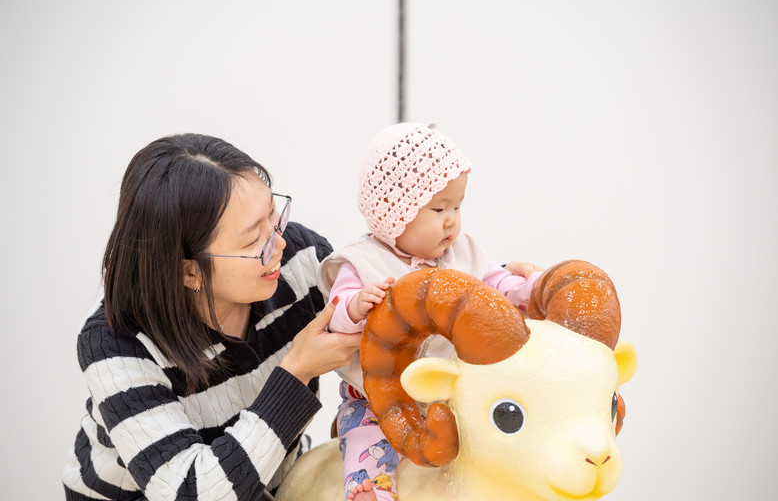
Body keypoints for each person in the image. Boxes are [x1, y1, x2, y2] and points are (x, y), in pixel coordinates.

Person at [61, 133, 362, 501]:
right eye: (252, 241)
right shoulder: (117, 341)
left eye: (273, 215)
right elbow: (189, 491)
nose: (279, 243)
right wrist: (296, 373)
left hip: (266, 482)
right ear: (188, 271)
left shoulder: (299, 259)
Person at [316, 122, 543, 501]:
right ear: (393, 212)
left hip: (448, 396)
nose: (452, 220)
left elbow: (495, 284)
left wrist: (526, 289)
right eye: (438, 208)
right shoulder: (362, 263)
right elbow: (335, 314)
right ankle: (369, 492)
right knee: (368, 449)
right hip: (377, 400)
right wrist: (356, 306)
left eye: (457, 206)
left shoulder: (463, 252)